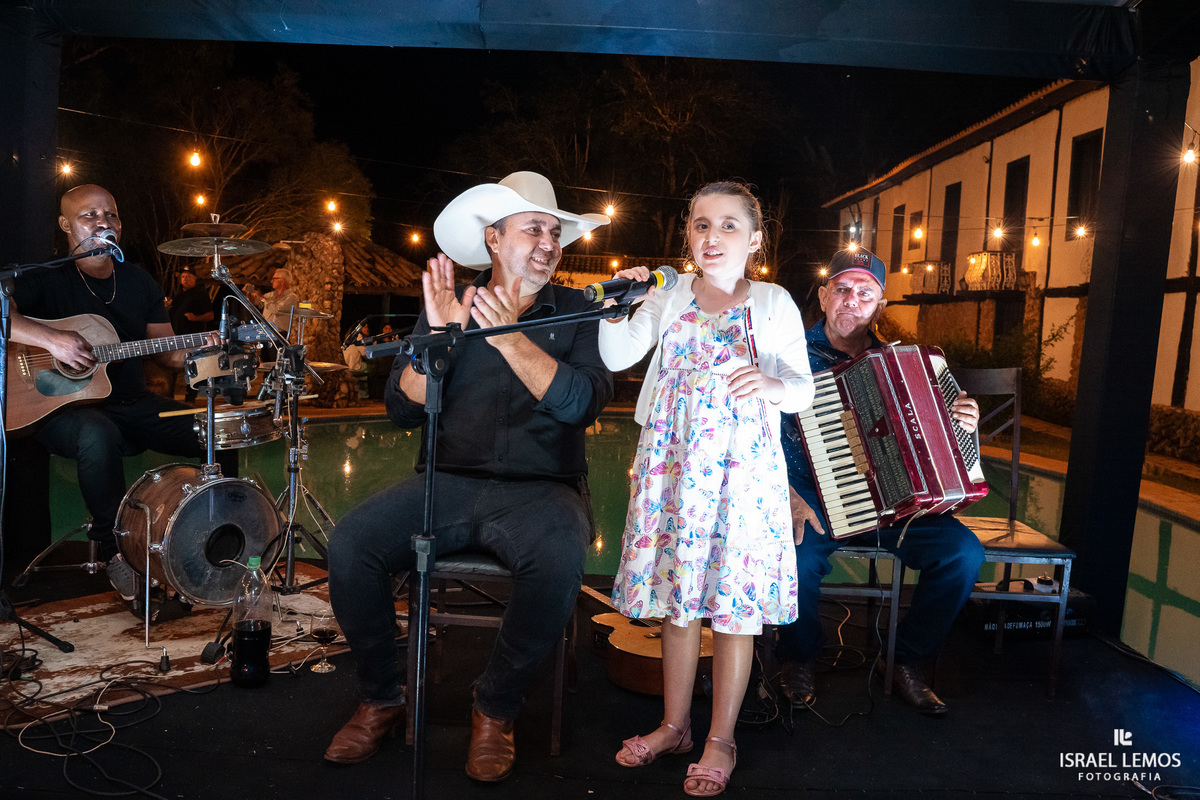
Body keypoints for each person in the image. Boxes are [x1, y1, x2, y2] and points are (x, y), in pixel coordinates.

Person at [324, 172, 612, 781]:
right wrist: (439, 337)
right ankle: (382, 698)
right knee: (351, 544)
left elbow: (584, 403)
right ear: (493, 238)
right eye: (533, 228)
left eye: (555, 232)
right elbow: (402, 409)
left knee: (561, 557)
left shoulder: (581, 312)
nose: (548, 242)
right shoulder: (448, 307)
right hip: (447, 482)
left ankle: (495, 707)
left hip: (543, 490)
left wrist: (510, 340)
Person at [598, 182, 813, 797]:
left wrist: (770, 384)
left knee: (736, 608)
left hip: (744, 475)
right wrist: (623, 302)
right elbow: (616, 358)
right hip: (673, 472)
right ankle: (674, 726)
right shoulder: (668, 297)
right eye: (699, 225)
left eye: (726, 226)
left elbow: (802, 388)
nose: (710, 237)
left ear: (754, 238)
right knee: (677, 598)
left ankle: (721, 736)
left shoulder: (772, 302)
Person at [776, 247, 985, 716]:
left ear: (880, 305)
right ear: (825, 294)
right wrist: (785, 494)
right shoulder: (788, 353)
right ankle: (798, 657)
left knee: (963, 554)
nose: (852, 300)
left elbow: (936, 438)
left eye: (864, 293)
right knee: (795, 554)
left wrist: (962, 424)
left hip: (895, 501)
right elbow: (755, 433)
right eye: (843, 289)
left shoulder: (903, 361)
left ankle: (905, 660)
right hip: (812, 497)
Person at [9, 184, 233, 617]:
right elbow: (4, 317)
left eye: (109, 214)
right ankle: (119, 556)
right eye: (89, 215)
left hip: (131, 401)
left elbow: (167, 353)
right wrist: (52, 340)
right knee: (97, 434)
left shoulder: (139, 281)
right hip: (62, 407)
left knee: (215, 428)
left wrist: (202, 348)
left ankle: (213, 541)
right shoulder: (44, 277)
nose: (102, 222)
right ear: (65, 225)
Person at [166, 265, 214, 401]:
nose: (185, 279)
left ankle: (190, 398)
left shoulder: (200, 294)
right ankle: (170, 395)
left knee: (192, 367)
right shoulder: (180, 294)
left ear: (194, 279)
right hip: (177, 336)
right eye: (183, 277)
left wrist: (195, 318)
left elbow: (210, 315)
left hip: (192, 337)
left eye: (188, 277)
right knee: (174, 365)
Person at [244, 267, 299, 337]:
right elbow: (255, 302)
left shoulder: (291, 297)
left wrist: (261, 297)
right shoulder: (270, 295)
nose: (271, 281)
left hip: (280, 335)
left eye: (274, 279)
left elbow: (277, 310)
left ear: (282, 281)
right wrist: (250, 292)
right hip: (265, 332)